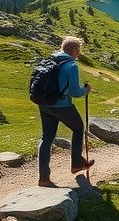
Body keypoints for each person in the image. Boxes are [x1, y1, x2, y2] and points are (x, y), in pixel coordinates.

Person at [36, 35, 94, 187]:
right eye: (78, 50)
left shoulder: (50, 60)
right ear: (73, 50)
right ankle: (76, 163)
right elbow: (75, 92)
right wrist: (86, 90)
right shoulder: (71, 66)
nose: (79, 53)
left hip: (44, 104)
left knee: (46, 138)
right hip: (61, 105)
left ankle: (44, 177)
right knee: (78, 128)